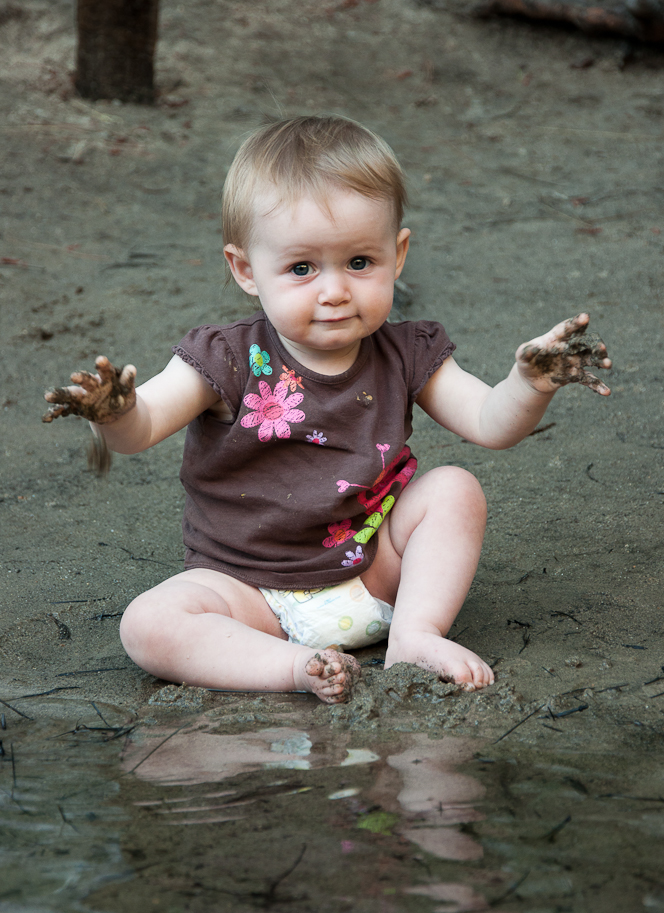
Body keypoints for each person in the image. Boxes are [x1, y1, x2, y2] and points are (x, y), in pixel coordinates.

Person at [43, 116, 612, 704]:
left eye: (360, 262)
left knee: (454, 488)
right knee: (148, 625)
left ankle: (416, 635)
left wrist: (529, 381)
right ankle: (296, 667)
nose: (334, 290)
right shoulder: (226, 358)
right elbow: (142, 428)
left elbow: (491, 424)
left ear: (398, 253)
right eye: (301, 268)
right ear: (245, 270)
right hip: (248, 595)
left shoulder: (406, 351)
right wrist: (114, 412)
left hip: (372, 572)